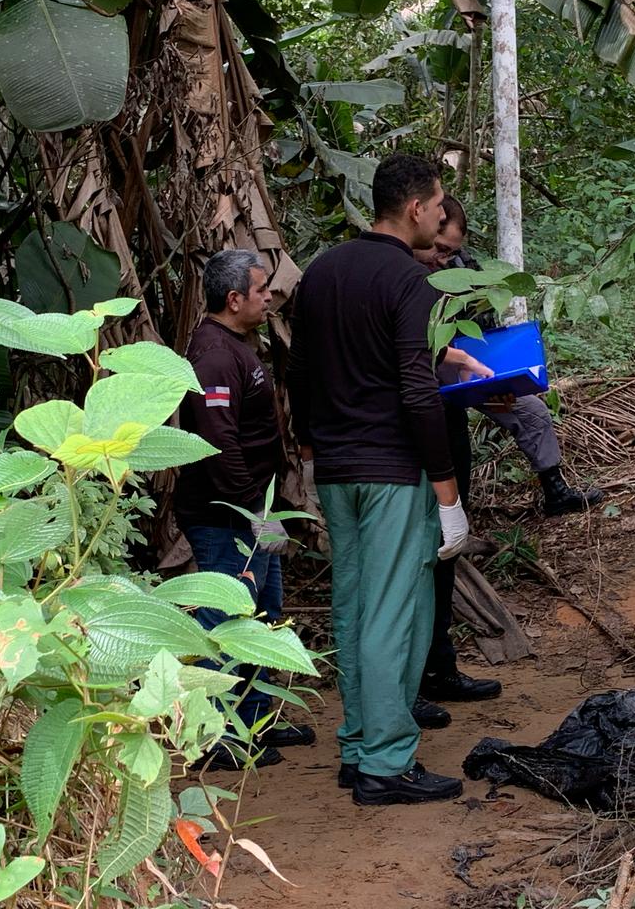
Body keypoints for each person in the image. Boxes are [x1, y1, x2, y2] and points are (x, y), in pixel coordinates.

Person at [287, 154, 474, 806]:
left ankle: (359, 745)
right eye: (440, 204)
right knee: (394, 612)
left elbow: (299, 369)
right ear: (418, 208)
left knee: (356, 604)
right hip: (393, 469)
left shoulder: (321, 273)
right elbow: (419, 392)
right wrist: (448, 493)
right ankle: (387, 764)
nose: (441, 216)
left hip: (337, 469)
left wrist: (314, 447)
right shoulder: (409, 284)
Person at [176, 249, 315, 770]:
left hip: (249, 509)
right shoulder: (213, 355)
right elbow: (217, 441)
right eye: (260, 290)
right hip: (224, 516)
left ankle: (254, 719)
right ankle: (219, 737)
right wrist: (255, 511)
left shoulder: (235, 344)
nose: (268, 297)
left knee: (261, 617)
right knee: (227, 621)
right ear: (233, 299)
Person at [417, 196, 605, 519]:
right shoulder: (405, 272)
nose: (443, 259)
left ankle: (554, 489)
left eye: (451, 250)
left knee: (532, 409)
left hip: (468, 364)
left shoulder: (462, 267)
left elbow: (486, 322)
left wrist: (500, 377)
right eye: (440, 248)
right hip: (427, 371)